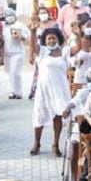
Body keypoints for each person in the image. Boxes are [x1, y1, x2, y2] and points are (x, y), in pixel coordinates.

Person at [29, 24, 71, 156]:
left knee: (58, 116)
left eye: (54, 38)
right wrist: (33, 31)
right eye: (49, 39)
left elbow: (78, 49)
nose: (51, 41)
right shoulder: (42, 51)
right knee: (39, 115)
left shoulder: (64, 52)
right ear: (45, 40)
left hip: (59, 88)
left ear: (58, 39)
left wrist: (79, 34)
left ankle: (55, 144)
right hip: (43, 89)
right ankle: (36, 143)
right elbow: (32, 46)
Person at [2, 10, 28, 100]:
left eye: (11, 15)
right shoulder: (4, 26)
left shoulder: (19, 25)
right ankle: (12, 91)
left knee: (15, 72)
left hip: (17, 52)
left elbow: (27, 36)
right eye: (7, 15)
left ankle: (18, 91)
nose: (9, 17)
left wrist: (21, 37)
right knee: (10, 73)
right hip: (7, 53)